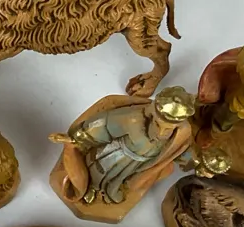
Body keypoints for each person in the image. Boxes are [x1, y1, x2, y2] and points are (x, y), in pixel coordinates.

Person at [51, 87, 197, 205]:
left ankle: (112, 189)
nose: (161, 133)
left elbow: (178, 149)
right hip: (115, 155)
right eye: (158, 124)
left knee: (119, 179)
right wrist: (79, 137)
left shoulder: (182, 132)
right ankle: (91, 187)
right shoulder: (132, 119)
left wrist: (193, 160)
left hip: (138, 164)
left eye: (169, 128)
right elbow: (103, 125)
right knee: (99, 172)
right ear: (153, 113)